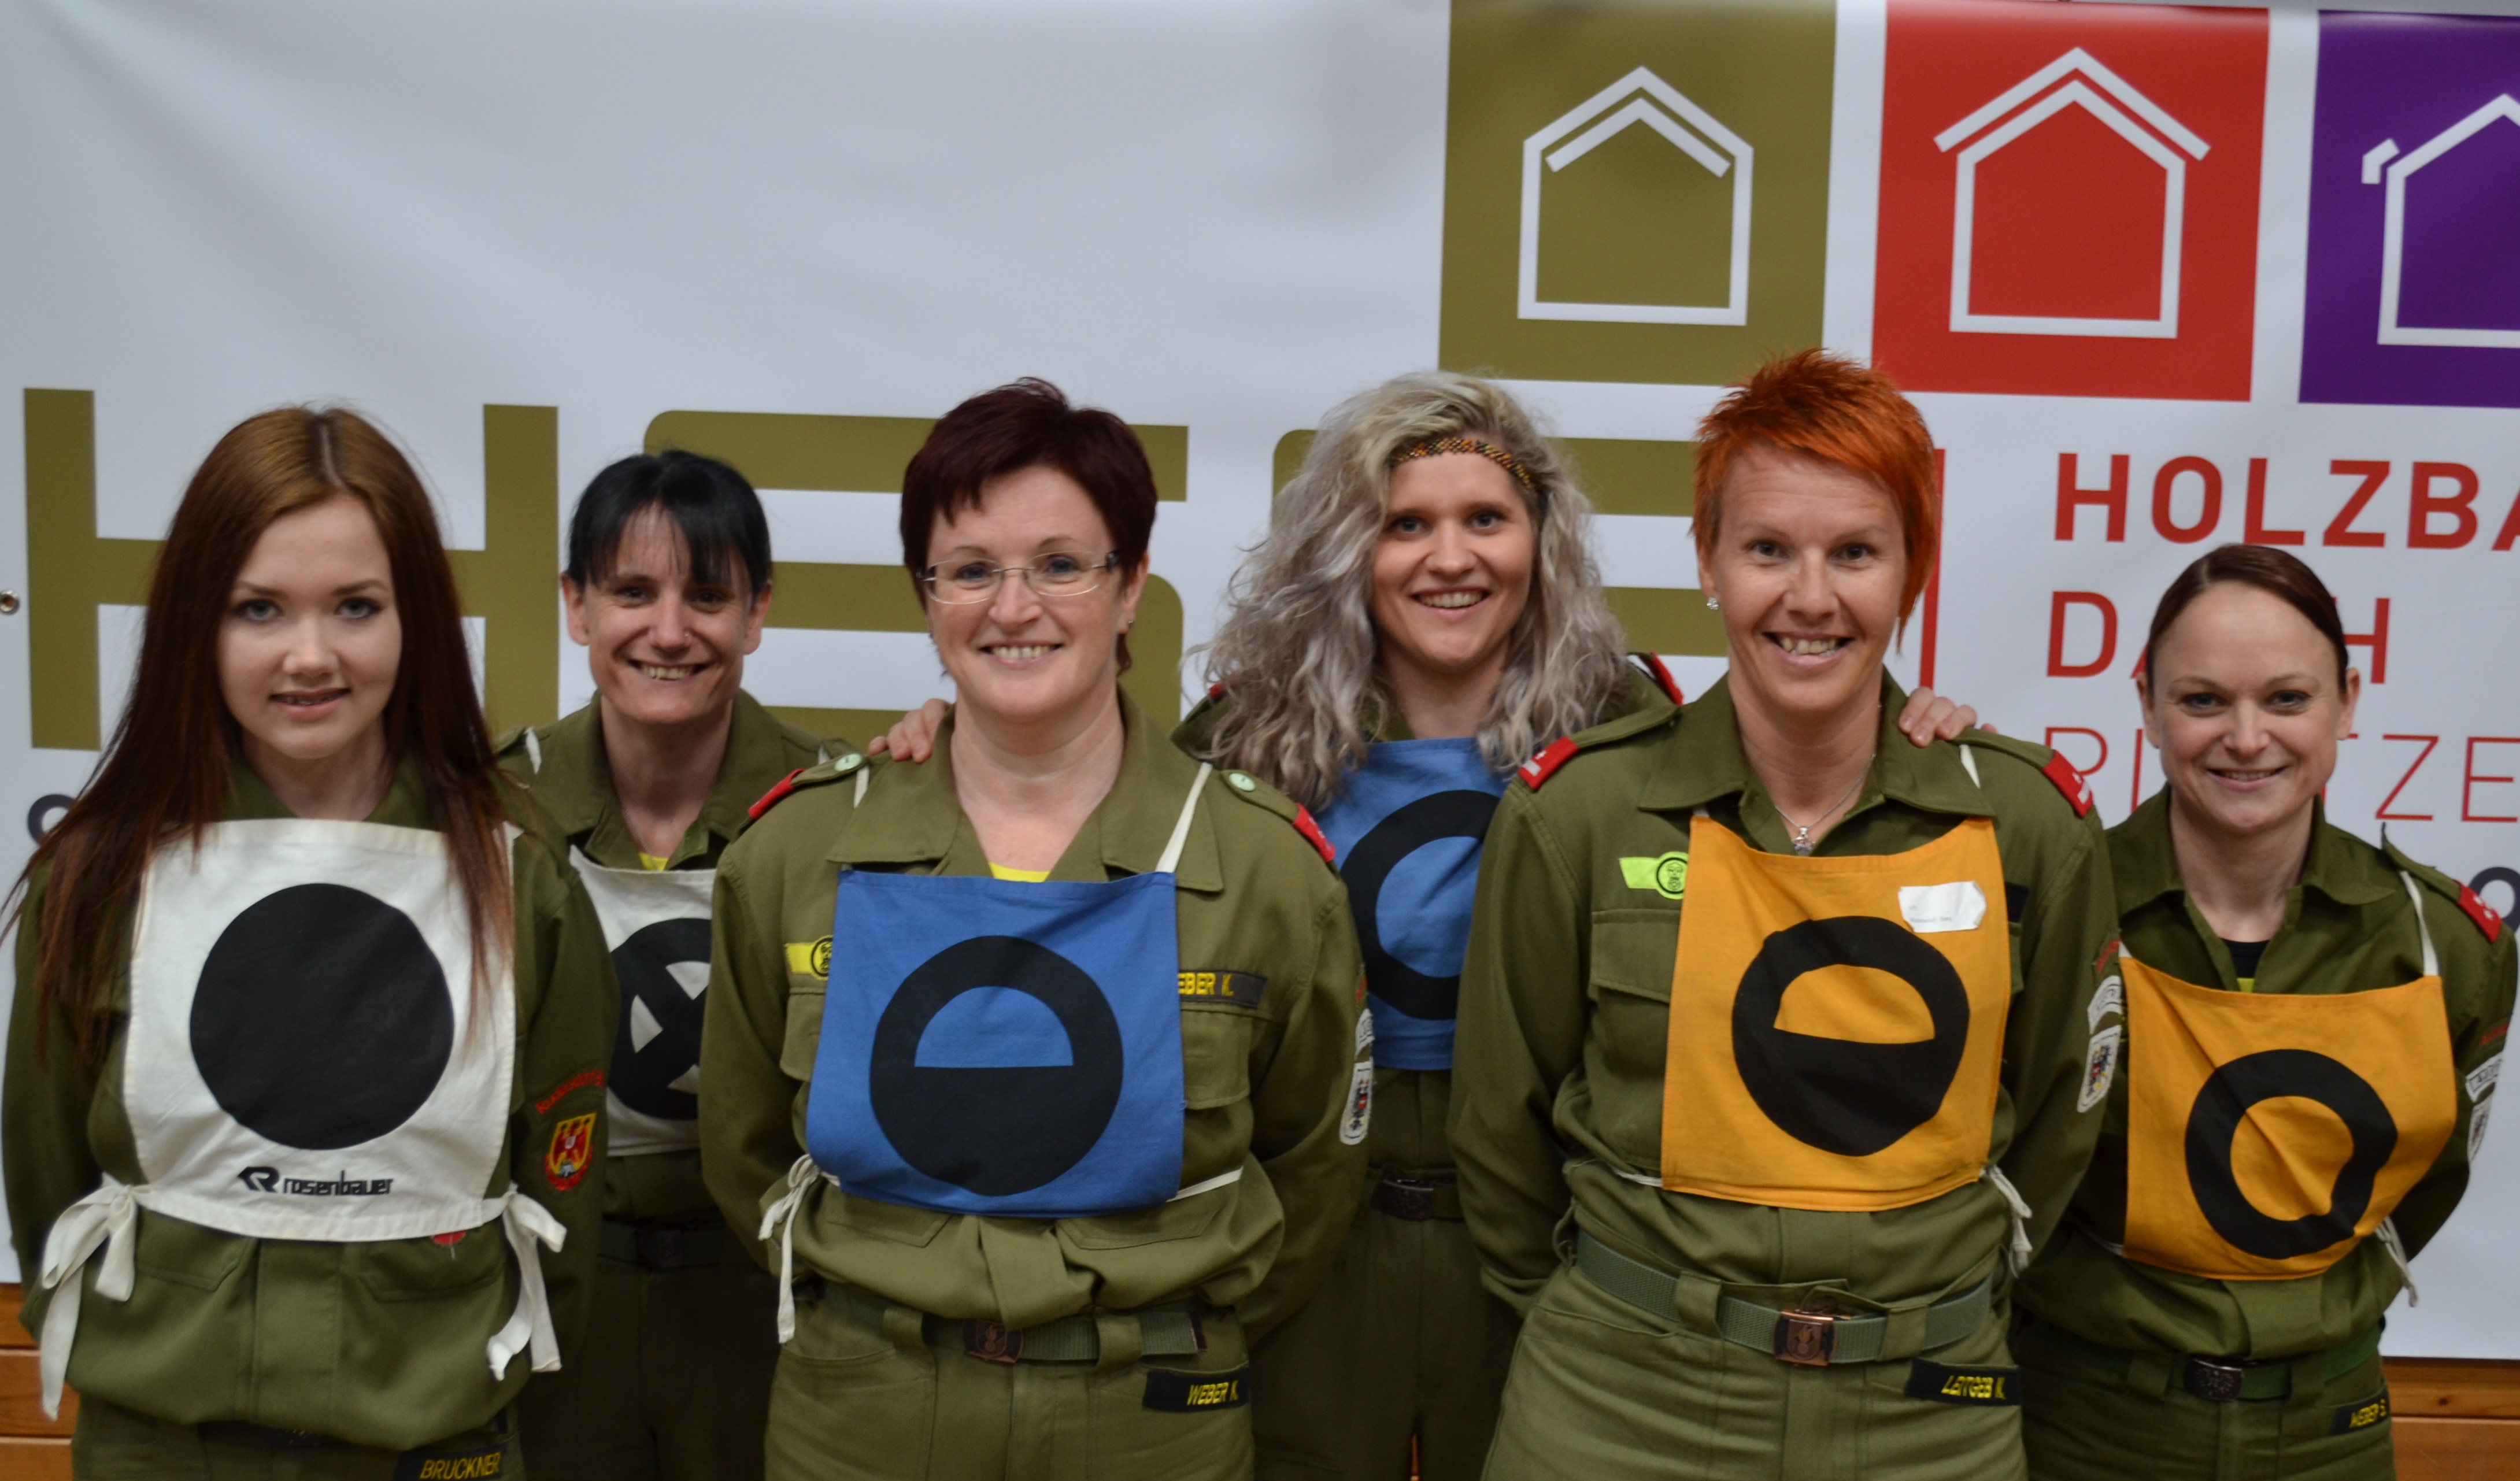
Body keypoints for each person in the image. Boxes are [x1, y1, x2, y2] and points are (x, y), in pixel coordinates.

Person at [868, 371, 1982, 1480]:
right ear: (1348, 544)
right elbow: (1092, 815)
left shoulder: (1625, 717)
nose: (1451, 558)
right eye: (1406, 524)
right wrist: (952, 733)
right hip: (1321, 1240)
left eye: (1486, 519)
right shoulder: (1250, 732)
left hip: (1543, 1240)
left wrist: (1913, 724)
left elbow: (1795, 806)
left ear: (1540, 540)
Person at [1450, 349, 2122, 1480]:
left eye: (1854, 552)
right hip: (1618, 1405)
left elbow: (2061, 1117)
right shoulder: (1580, 812)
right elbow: (1501, 1131)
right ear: (1707, 562)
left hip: (1924, 1416)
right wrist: (1620, 1320)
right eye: (1768, 549)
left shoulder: (2024, 822)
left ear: (1911, 572)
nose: (1810, 598)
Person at [700, 378, 1370, 1481]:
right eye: (970, 571)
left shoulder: (1263, 872)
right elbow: (744, 1151)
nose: (1014, 608)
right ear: (926, 597)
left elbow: (1311, 1172)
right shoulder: (797, 854)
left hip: (1151, 1417)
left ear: (1131, 584)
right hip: (863, 1410)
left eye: (1061, 565)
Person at [3, 406, 613, 1478]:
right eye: (259, 608)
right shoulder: (101, 876)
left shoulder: (518, 876)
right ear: (197, 623)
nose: (310, 655)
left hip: (432, 1445)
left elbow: (559, 1201)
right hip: (161, 1449)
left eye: (356, 606)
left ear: (415, 618)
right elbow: (49, 1179)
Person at [2012, 545, 2516, 1480]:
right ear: (2147, 705)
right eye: (2203, 700)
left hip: (2330, 1432)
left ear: (2347, 703)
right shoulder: (2059, 907)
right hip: (2080, 1424)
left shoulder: (2445, 943)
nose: (2247, 739)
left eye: (2287, 698)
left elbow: (2426, 1182)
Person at [505, 451, 842, 1481]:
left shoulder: (842, 809)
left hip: (763, 1289)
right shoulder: (492, 806)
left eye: (706, 596)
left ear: (757, 612)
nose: (668, 630)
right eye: (630, 592)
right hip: (556, 1286)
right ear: (575, 606)